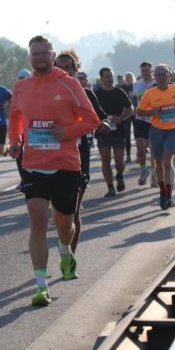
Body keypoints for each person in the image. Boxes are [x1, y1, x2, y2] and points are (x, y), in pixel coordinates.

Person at [8, 36, 100, 307]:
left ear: (52, 54)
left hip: (65, 165)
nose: (39, 58)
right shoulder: (22, 87)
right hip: (34, 165)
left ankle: (64, 251)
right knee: (37, 222)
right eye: (34, 54)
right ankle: (41, 286)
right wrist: (15, 140)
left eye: (43, 53)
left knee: (64, 225)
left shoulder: (68, 83)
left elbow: (91, 119)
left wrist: (67, 131)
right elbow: (15, 116)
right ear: (30, 57)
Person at [54, 49, 106, 254]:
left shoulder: (87, 93)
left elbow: (101, 117)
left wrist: (104, 124)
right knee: (57, 216)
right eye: (59, 67)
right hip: (49, 159)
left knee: (73, 212)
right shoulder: (46, 92)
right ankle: (63, 242)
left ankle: (69, 256)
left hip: (77, 159)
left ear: (76, 70)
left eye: (68, 68)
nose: (64, 71)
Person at [138, 63, 175, 209]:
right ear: (155, 77)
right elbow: (140, 112)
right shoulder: (149, 93)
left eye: (163, 74)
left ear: (169, 76)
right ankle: (163, 192)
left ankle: (169, 196)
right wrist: (152, 112)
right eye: (158, 75)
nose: (160, 77)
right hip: (156, 130)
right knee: (159, 164)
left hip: (173, 130)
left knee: (167, 162)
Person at [93, 67, 135, 197]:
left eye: (111, 76)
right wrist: (97, 123)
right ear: (101, 79)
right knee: (105, 160)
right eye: (106, 76)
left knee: (119, 161)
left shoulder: (119, 92)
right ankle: (110, 187)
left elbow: (130, 108)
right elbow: (90, 112)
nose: (109, 78)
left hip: (118, 130)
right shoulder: (96, 94)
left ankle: (120, 175)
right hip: (102, 131)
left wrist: (121, 118)